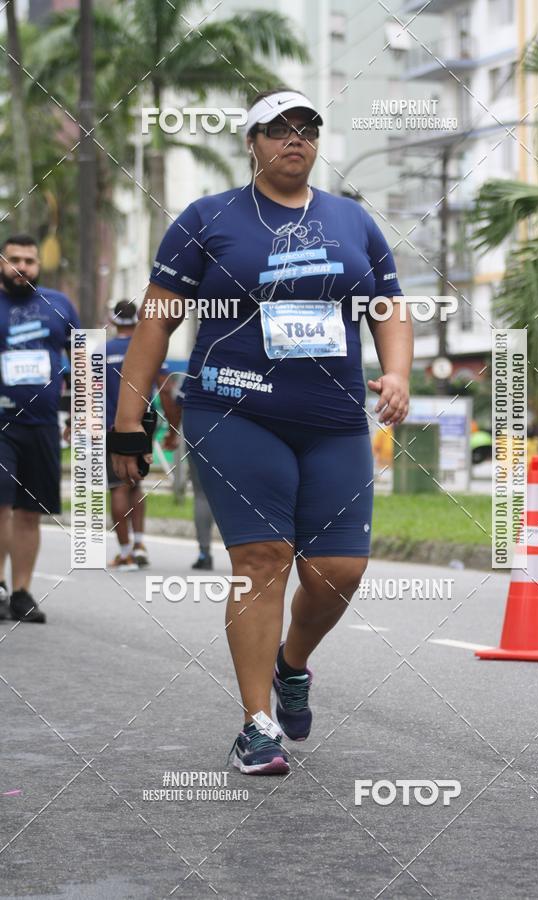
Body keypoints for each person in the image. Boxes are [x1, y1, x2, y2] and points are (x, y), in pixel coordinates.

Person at [110, 88, 413, 775]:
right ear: (251, 143)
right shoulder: (205, 219)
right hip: (232, 408)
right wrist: (129, 424)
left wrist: (397, 373)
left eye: (306, 128)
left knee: (339, 571)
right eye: (277, 130)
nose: (293, 139)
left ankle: (292, 664)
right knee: (264, 557)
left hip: (334, 417)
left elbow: (389, 306)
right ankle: (256, 724)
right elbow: (155, 322)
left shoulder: (352, 222)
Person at [0, 234, 80, 622]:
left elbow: (84, 362)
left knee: (30, 511)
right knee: (0, 505)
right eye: (14, 259)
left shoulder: (59, 305)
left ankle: (20, 592)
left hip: (43, 425)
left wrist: (83, 414)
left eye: (29, 261)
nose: (22, 267)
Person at [105, 300, 177, 569]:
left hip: (110, 426)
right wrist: (172, 427)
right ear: (137, 320)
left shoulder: (99, 351)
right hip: (144, 423)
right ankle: (139, 544)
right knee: (136, 483)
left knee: (118, 485)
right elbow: (167, 389)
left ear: (112, 321)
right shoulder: (149, 347)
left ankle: (125, 553)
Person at [164, 379, 215, 570]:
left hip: (201, 437)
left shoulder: (198, 369)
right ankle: (249, 552)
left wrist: (172, 432)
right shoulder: (246, 364)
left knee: (202, 495)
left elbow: (177, 399)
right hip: (238, 438)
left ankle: (205, 553)